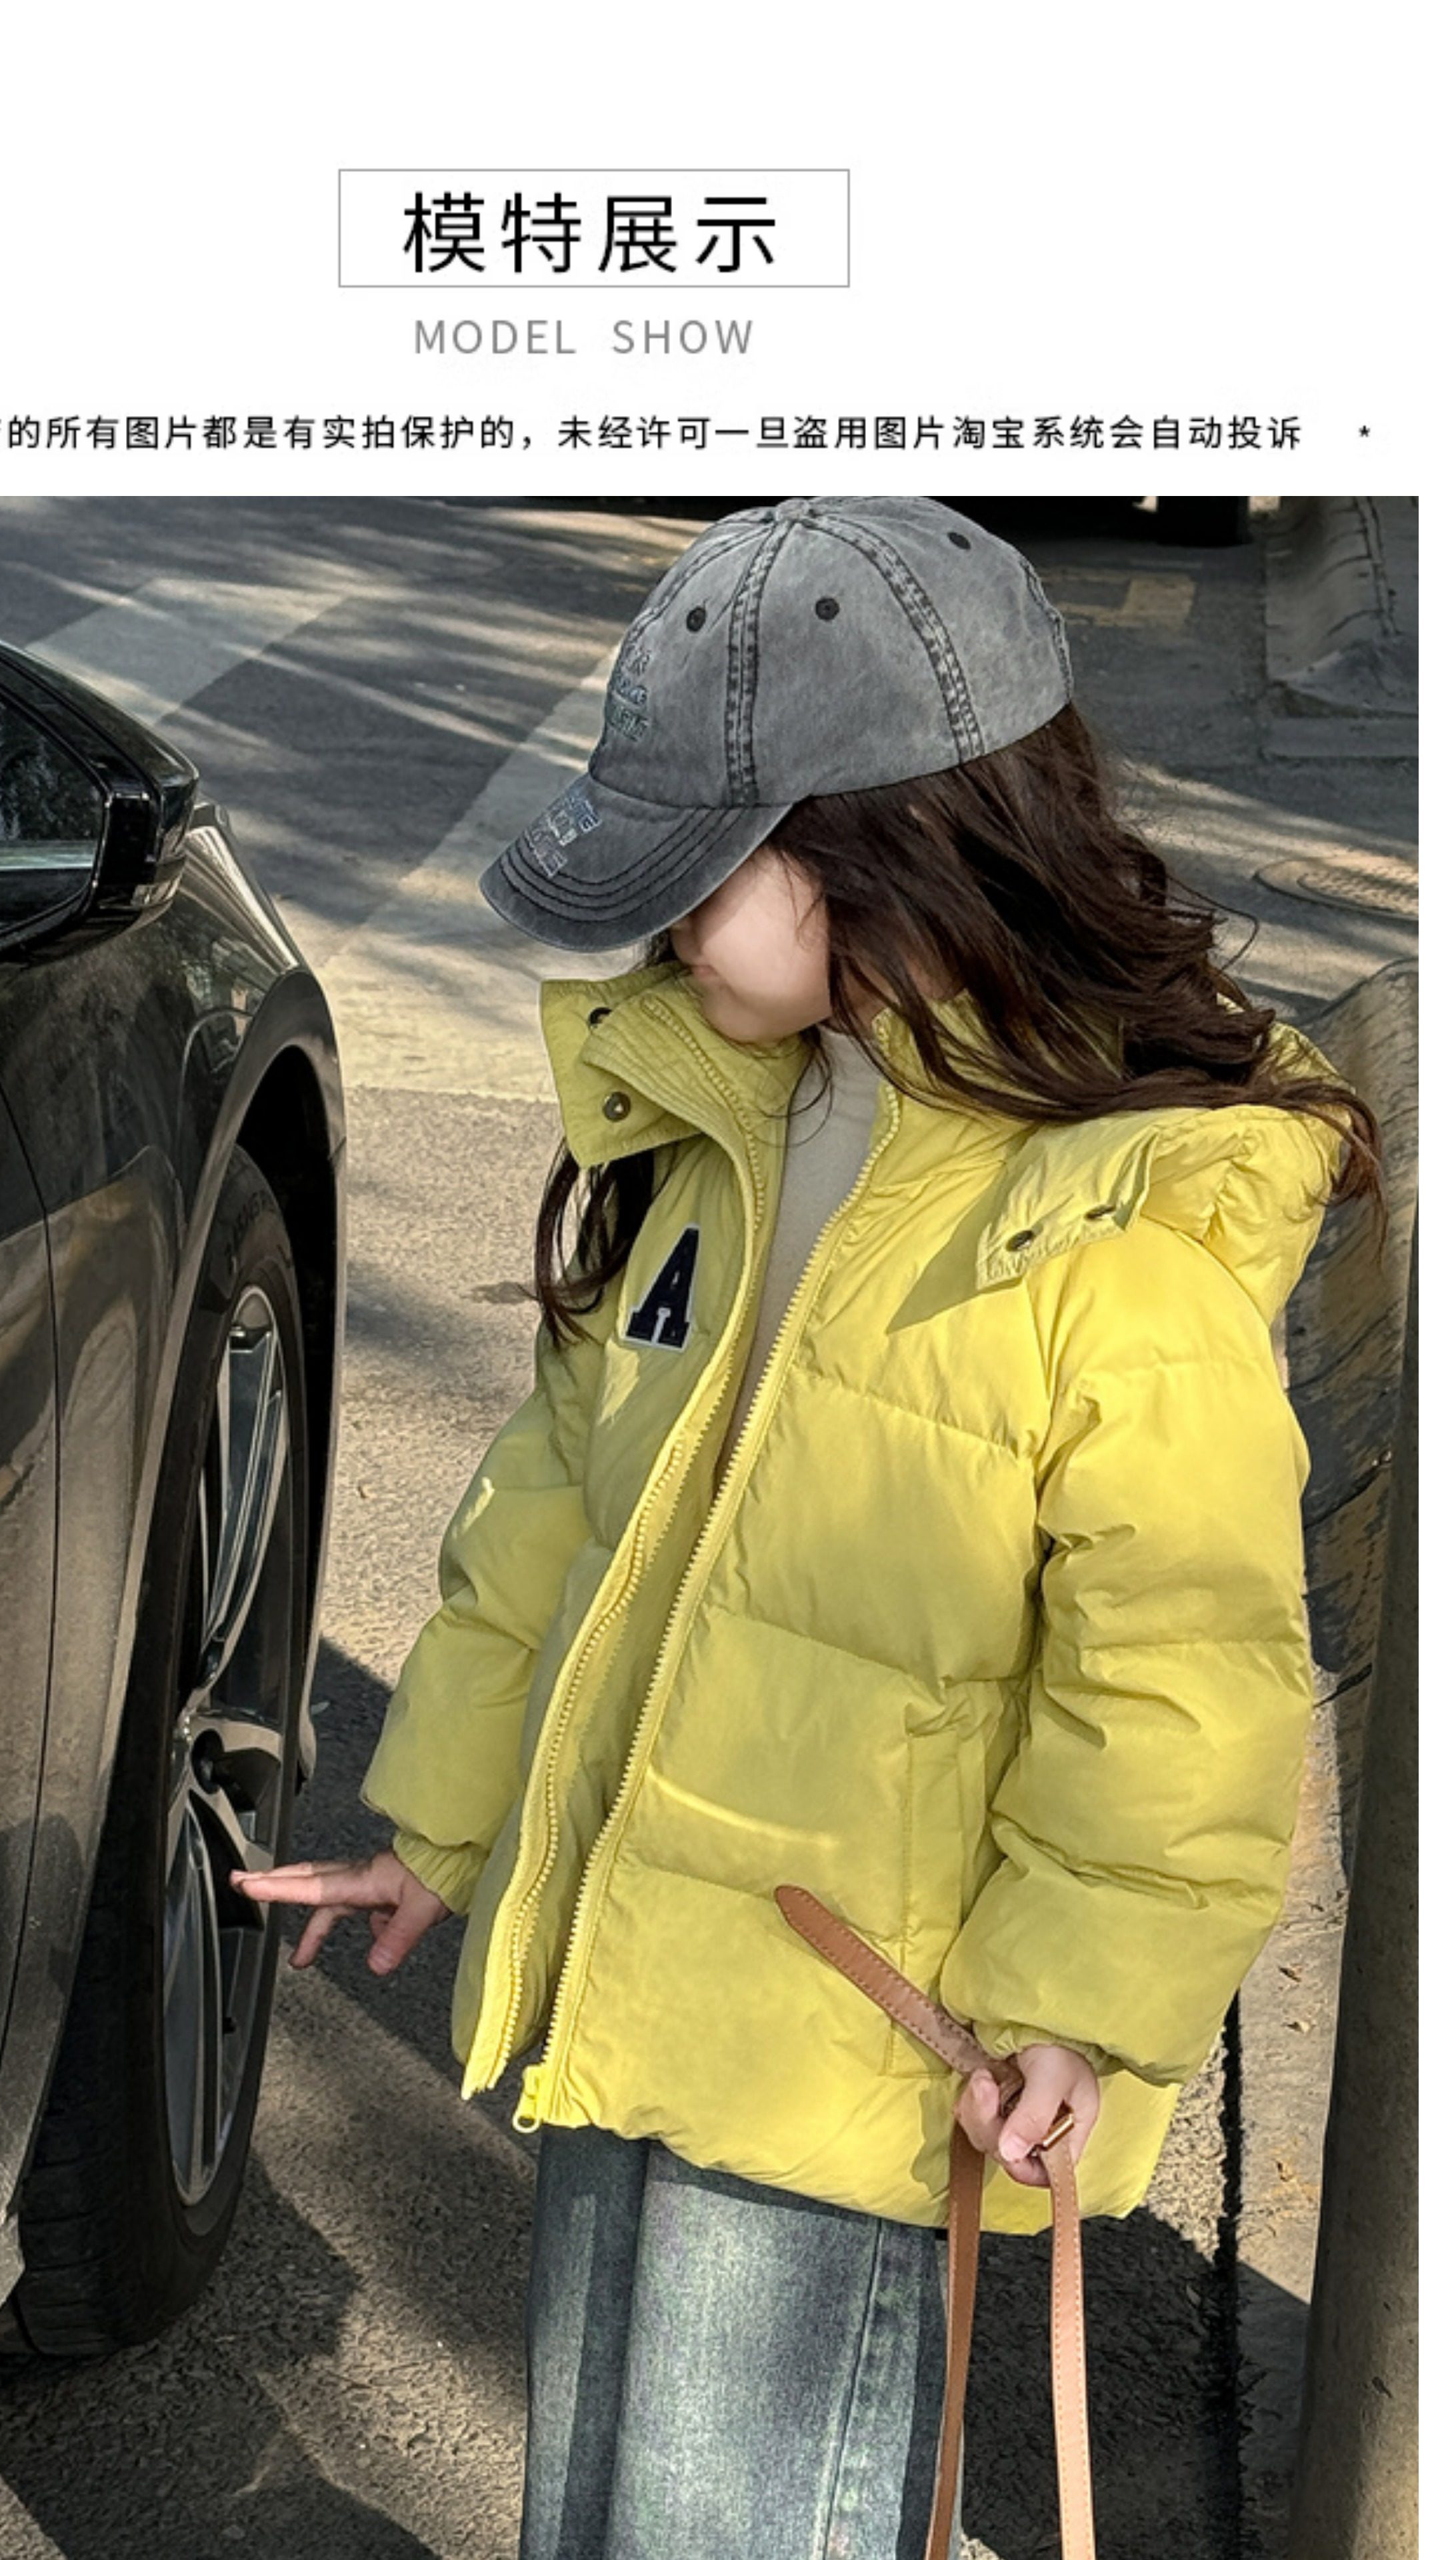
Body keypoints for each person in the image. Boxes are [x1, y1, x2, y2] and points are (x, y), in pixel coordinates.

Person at [237, 497, 1383, 2560]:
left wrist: (1076, 2002)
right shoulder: (732, 1118)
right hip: (639, 1988)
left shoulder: (1111, 1224)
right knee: (602, 2511)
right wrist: (448, 1824)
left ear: (880, 848)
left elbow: (1183, 1676)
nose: (664, 928)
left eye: (702, 871)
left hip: (858, 2056)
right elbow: (564, 1501)